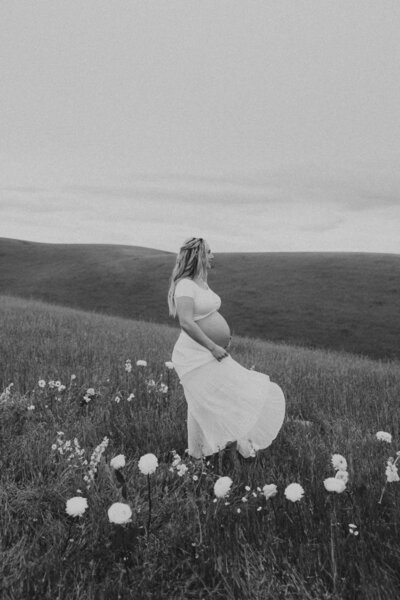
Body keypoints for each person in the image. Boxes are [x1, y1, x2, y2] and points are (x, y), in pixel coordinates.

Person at [167, 236, 285, 460]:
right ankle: (202, 453)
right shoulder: (184, 285)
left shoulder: (202, 281)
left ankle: (214, 449)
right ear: (198, 255)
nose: (213, 256)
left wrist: (222, 340)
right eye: (209, 252)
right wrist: (213, 346)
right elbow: (186, 322)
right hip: (194, 355)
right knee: (204, 401)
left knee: (220, 396)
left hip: (209, 351)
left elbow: (207, 316)